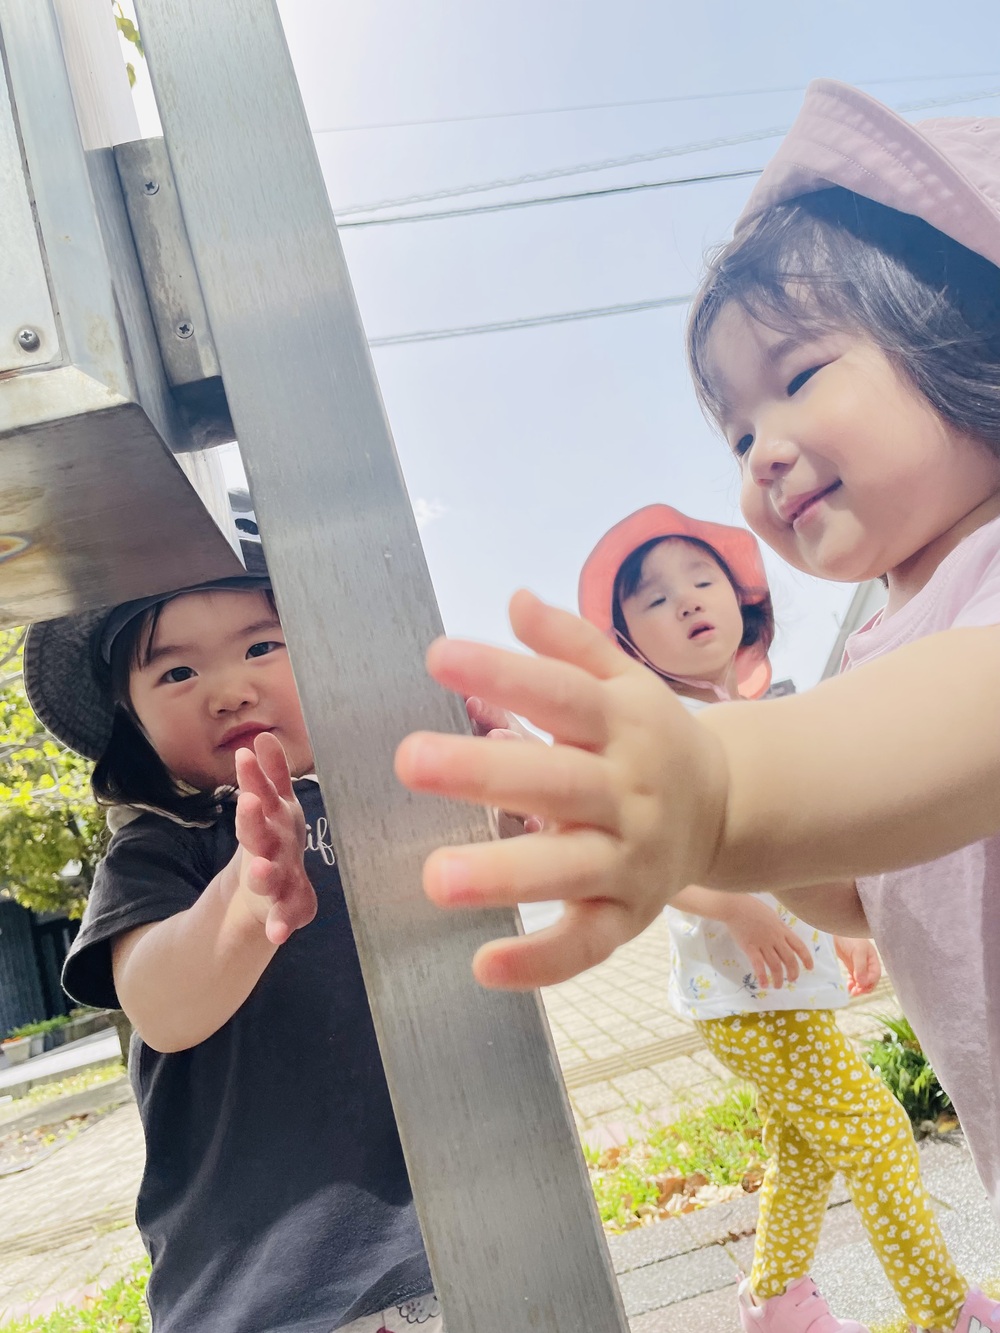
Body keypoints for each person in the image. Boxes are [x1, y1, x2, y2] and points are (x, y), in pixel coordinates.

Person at [393, 82, 1000, 1327]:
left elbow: (963, 713)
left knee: (844, 1139)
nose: (760, 447)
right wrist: (759, 838)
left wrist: (721, 790)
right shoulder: (880, 637)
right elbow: (860, 875)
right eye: (732, 428)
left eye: (799, 375)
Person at [23, 510, 442, 1333]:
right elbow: (162, 1005)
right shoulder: (161, 846)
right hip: (272, 1285)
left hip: (440, 1242)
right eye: (175, 673)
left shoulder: (383, 794)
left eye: (262, 646)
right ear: (132, 720)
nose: (229, 688)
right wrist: (248, 899)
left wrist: (512, 809)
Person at [577, 504, 968, 1333]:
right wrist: (740, 914)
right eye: (653, 600)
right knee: (876, 1132)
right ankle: (946, 1314)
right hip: (740, 991)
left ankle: (777, 1304)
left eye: (701, 579)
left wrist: (846, 936)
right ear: (632, 647)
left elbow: (808, 842)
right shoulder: (662, 731)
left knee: (801, 1149)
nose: (685, 601)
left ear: (742, 602)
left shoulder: (759, 718)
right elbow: (648, 854)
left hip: (780, 984)